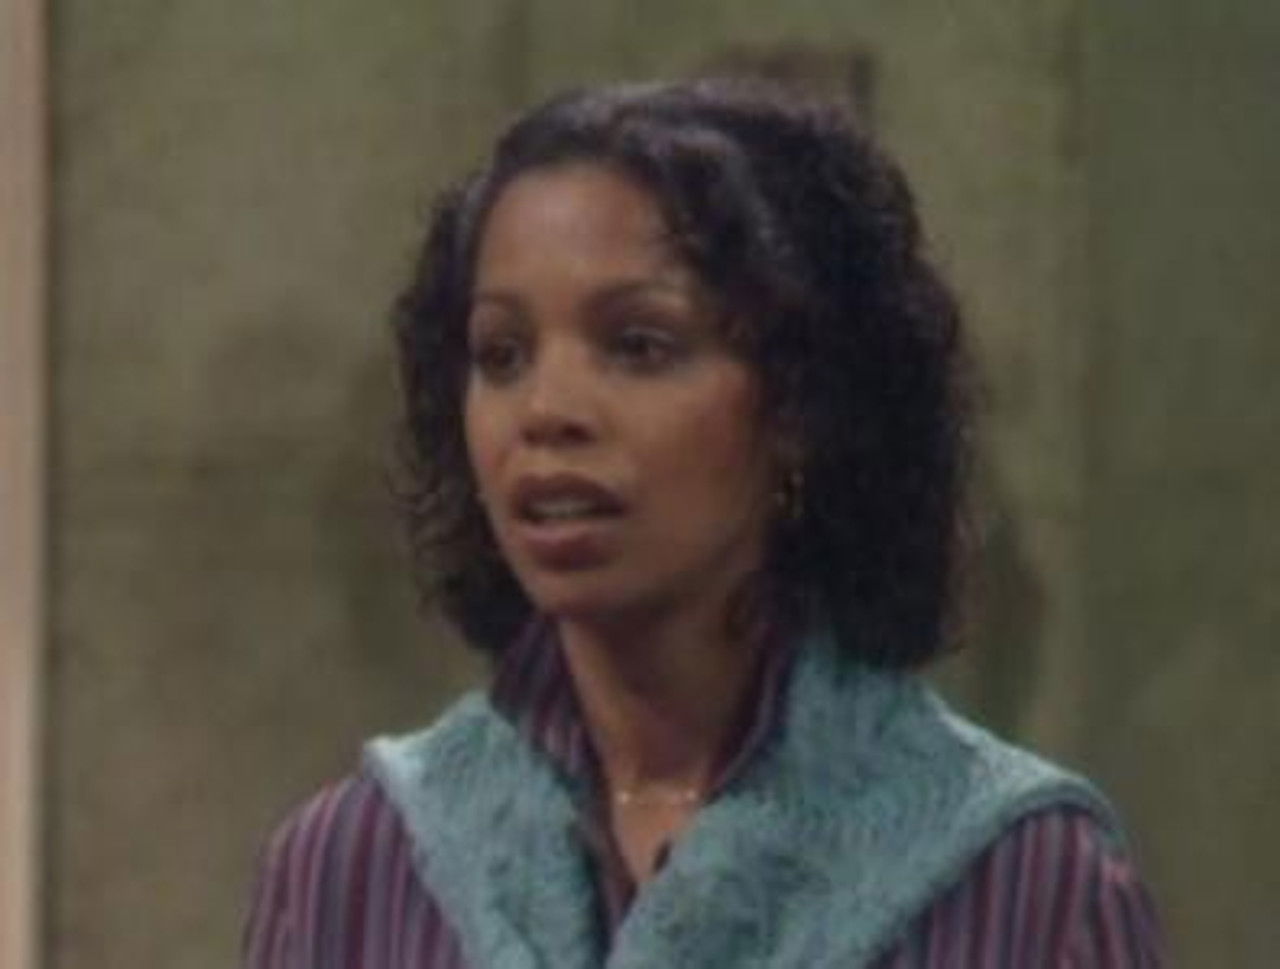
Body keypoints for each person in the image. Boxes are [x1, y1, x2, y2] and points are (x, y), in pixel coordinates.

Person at [243, 80, 1164, 968]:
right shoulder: (351, 866)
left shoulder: (1027, 878)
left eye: (638, 345)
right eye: (502, 354)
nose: (546, 410)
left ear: (801, 406)